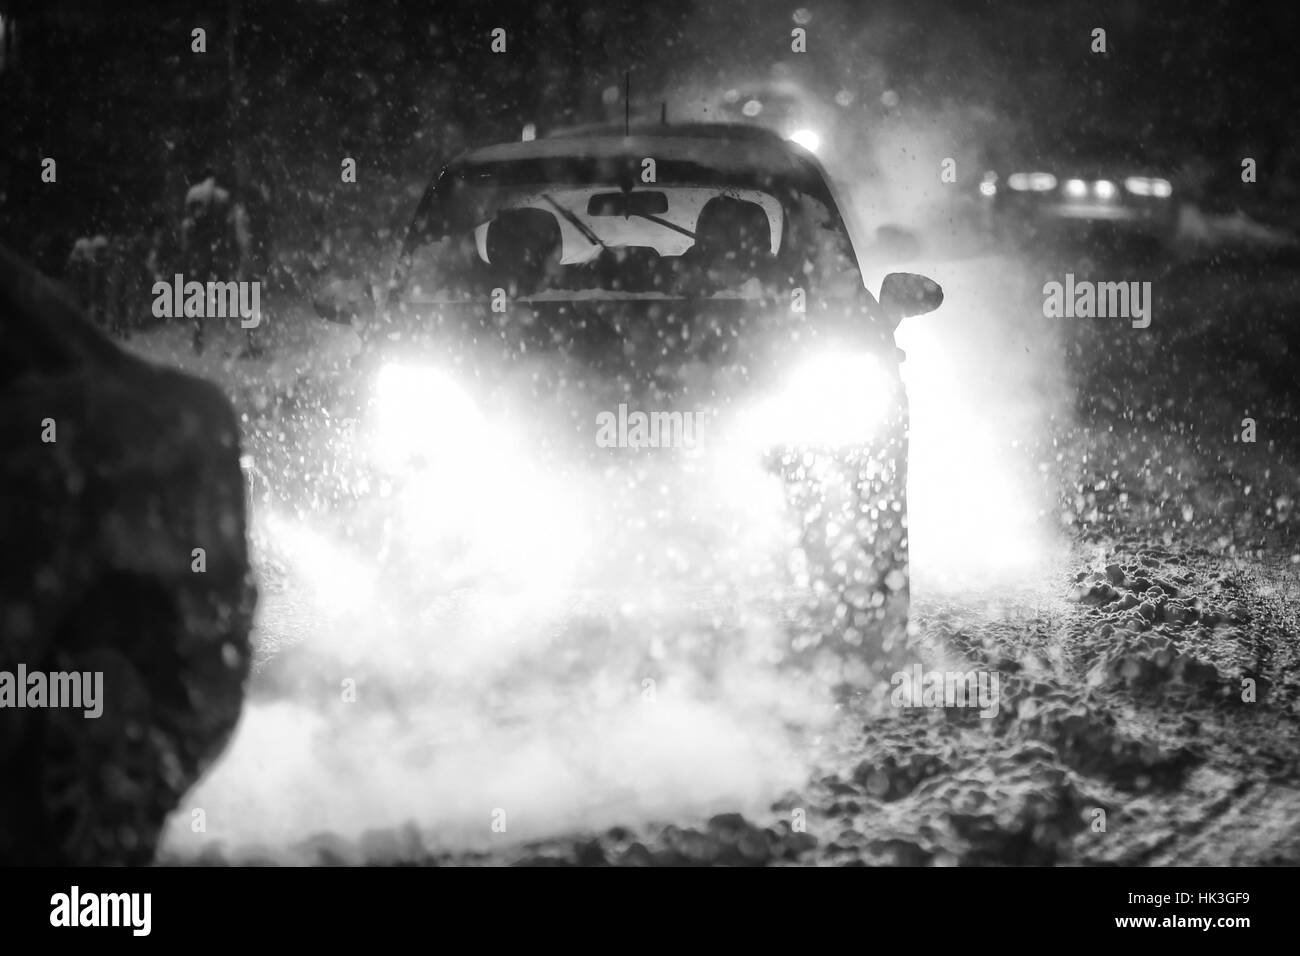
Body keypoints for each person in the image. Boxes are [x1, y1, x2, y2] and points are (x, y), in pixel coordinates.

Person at [180, 166, 255, 355]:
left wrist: (188, 251)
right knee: (229, 297)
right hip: (219, 254)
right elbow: (230, 227)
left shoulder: (193, 194)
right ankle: (235, 342)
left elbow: (187, 227)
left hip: (200, 255)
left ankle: (198, 337)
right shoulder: (223, 197)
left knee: (198, 298)